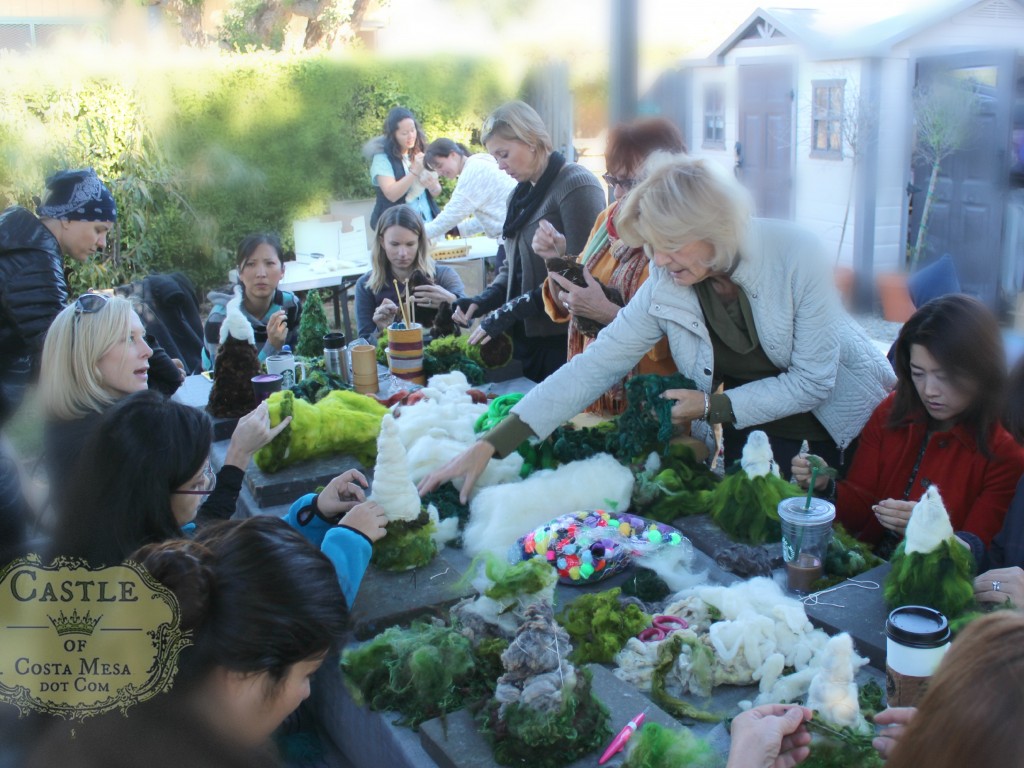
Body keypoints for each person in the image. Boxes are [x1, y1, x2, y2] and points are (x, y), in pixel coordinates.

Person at [421, 153, 894, 502]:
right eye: (651, 248)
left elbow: (814, 380)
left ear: (716, 228)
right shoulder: (669, 278)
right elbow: (596, 366)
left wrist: (711, 406)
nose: (659, 262)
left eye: (670, 245)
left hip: (838, 424)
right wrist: (493, 443)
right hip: (750, 425)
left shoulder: (795, 254)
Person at [792, 295, 1024, 552]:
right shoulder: (892, 412)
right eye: (918, 373)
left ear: (981, 369)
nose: (929, 390)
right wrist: (827, 485)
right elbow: (861, 507)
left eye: (945, 376)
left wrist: (933, 533)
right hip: (866, 565)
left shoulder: (1005, 450)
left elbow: (981, 556)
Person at [38, 298, 280, 529]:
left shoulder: (74, 428)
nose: (148, 351)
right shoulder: (115, 443)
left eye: (143, 337)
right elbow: (189, 545)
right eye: (128, 339)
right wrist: (238, 454)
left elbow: (168, 381)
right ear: (89, 356)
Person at [532, 116, 687, 415]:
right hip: (594, 389)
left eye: (632, 182)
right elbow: (569, 303)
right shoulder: (608, 220)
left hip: (654, 403)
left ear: (667, 175)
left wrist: (604, 312)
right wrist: (555, 261)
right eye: (614, 180)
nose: (618, 193)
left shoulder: (683, 237)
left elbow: (687, 339)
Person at [0, 169, 117, 563]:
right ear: (67, 218)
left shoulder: (23, 245)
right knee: (12, 541)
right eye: (99, 228)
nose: (102, 243)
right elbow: (58, 348)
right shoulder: (33, 255)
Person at [452, 100, 605, 382]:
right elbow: (511, 268)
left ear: (531, 141)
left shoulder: (576, 184)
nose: (500, 166)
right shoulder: (518, 196)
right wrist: (483, 301)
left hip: (565, 341)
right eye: (495, 157)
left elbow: (587, 273)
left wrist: (509, 312)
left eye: (504, 154)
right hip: (528, 339)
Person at [354, 204, 465, 340]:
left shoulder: (442, 275)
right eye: (395, 244)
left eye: (410, 244)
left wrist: (452, 302)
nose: (402, 253)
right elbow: (364, 345)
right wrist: (380, 330)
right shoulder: (366, 285)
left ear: (420, 242)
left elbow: (468, 320)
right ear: (382, 242)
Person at [203, 233, 301, 370]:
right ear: (240, 273)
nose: (261, 273)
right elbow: (228, 382)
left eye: (269, 263)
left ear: (282, 271)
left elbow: (301, 359)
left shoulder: (290, 305)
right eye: (251, 264)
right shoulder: (221, 318)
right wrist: (272, 346)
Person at [422, 138, 516, 247]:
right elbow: (493, 217)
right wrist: (458, 229)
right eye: (435, 169)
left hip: (514, 237)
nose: (439, 173)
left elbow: (452, 214)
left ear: (453, 155)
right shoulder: (478, 164)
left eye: (439, 166)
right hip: (513, 234)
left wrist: (417, 233)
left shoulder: (474, 171)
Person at [367, 106, 441, 229]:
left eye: (413, 130)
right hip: (400, 228)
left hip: (429, 223)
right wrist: (414, 172)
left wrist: (433, 186)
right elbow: (391, 194)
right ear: (393, 135)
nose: (410, 136)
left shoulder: (421, 151)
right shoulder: (382, 158)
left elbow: (436, 191)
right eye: (404, 133)